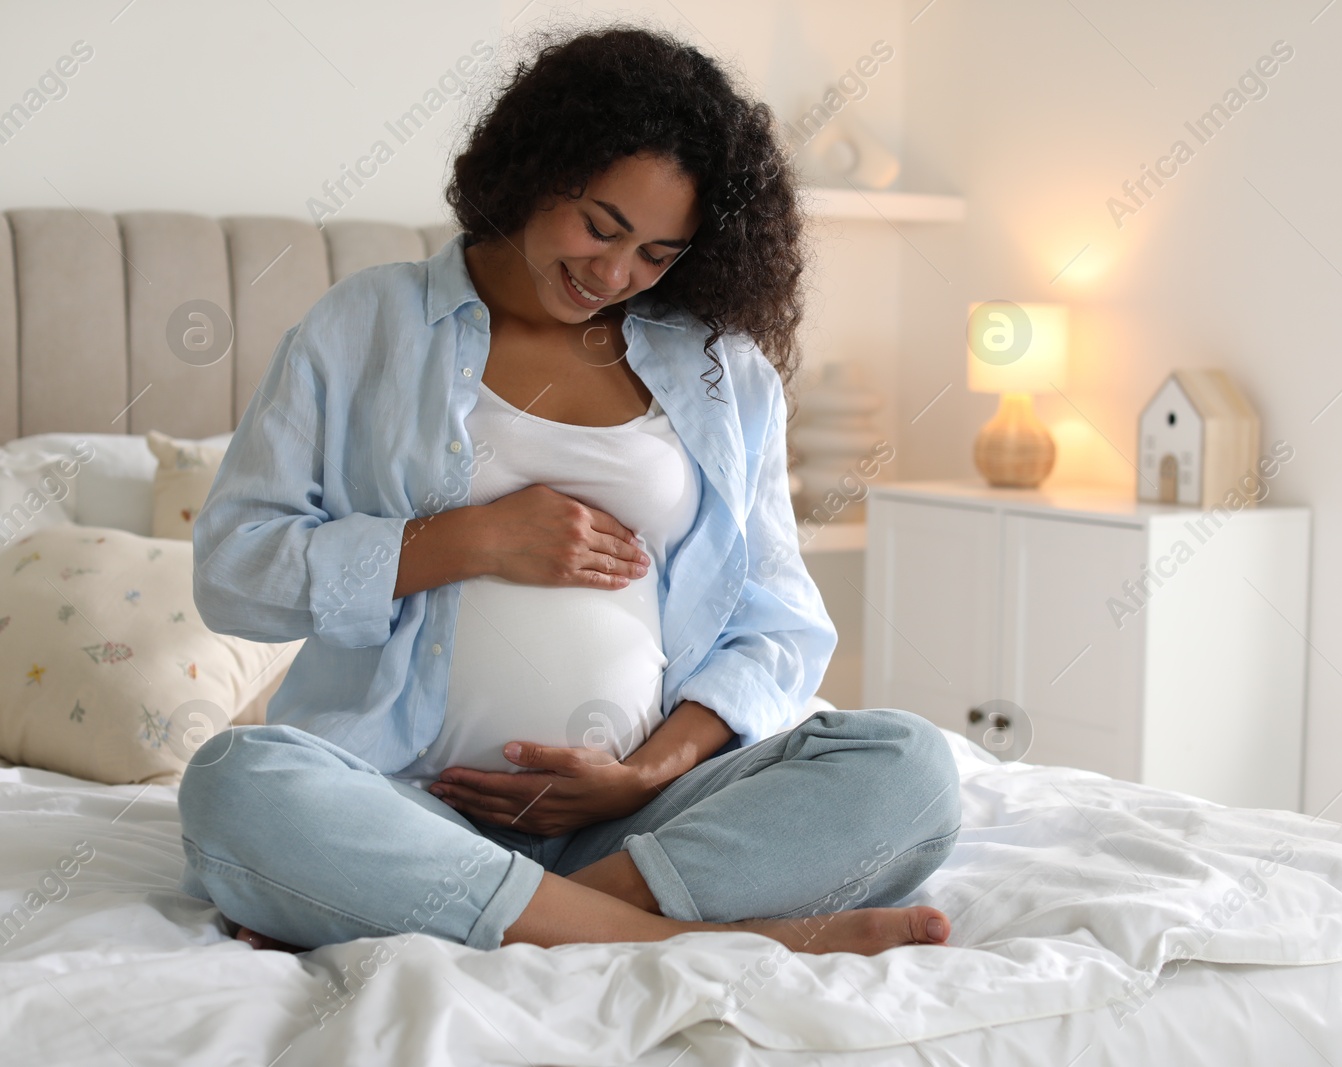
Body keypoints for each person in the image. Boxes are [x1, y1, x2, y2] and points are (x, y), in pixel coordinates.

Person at [176, 25, 962, 957]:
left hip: (639, 828)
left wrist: (642, 775)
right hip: (402, 802)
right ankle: (712, 936)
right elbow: (235, 570)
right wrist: (469, 540)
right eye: (600, 225)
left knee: (909, 769)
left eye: (658, 253)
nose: (614, 274)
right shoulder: (366, 326)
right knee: (237, 780)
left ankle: (520, 914)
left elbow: (777, 625)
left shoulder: (722, 373)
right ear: (537, 167)